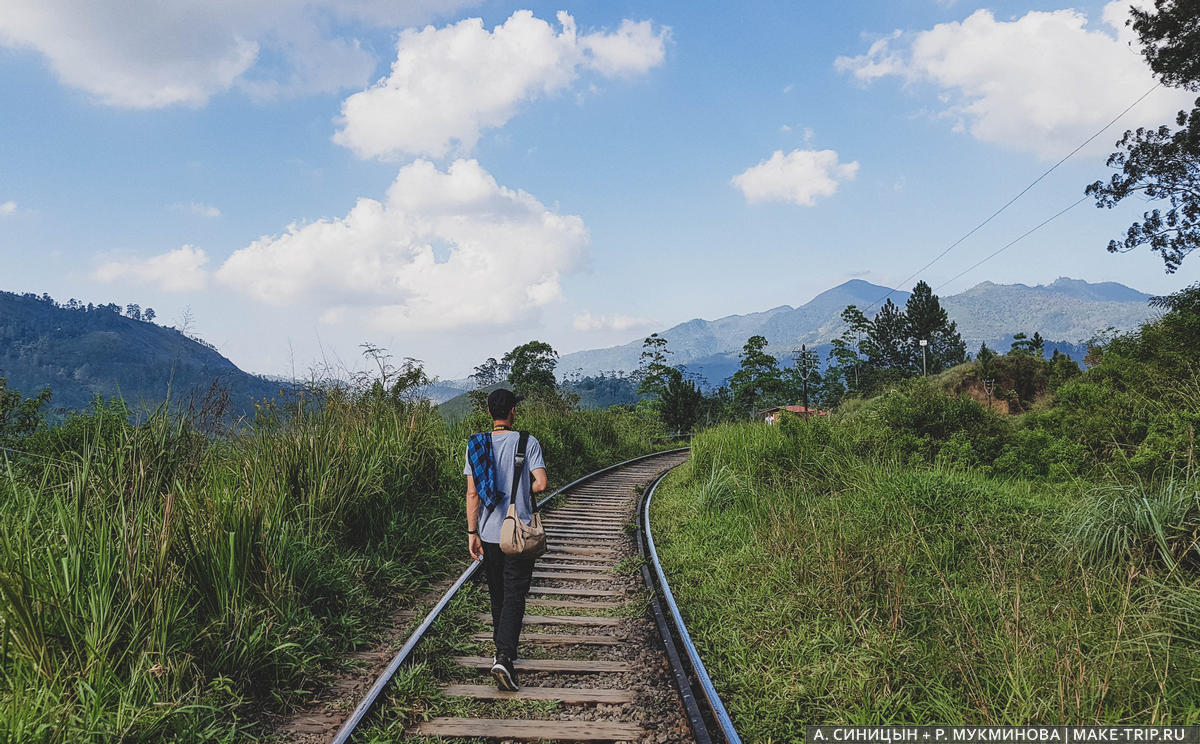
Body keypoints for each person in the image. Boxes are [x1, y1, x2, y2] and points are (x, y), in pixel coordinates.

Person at [464, 388, 547, 691]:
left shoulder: (476, 445)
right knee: (515, 594)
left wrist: (472, 533)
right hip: (518, 533)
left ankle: (502, 652)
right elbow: (541, 484)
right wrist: (520, 490)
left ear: (490, 413)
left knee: (498, 594)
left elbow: (473, 494)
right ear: (513, 411)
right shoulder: (528, 442)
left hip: (488, 534)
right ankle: (505, 657)